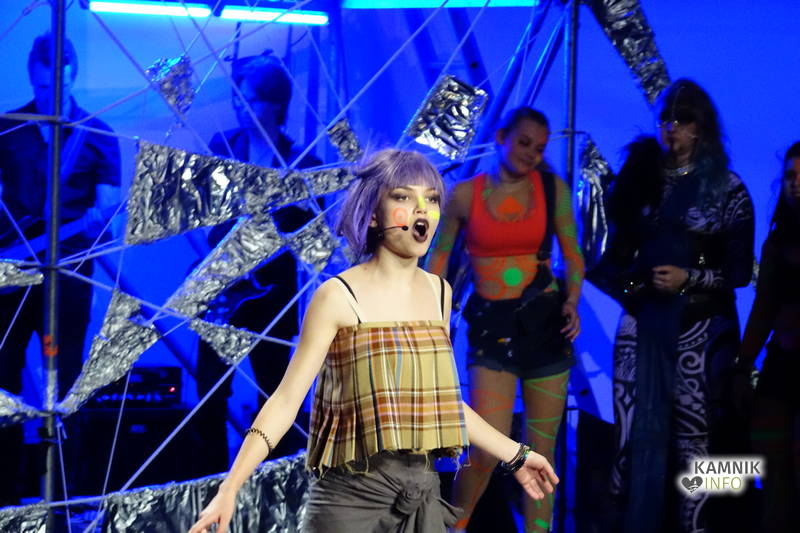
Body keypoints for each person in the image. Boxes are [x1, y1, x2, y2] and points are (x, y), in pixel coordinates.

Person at [187, 148, 559, 533]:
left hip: (419, 498)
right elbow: (285, 401)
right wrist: (230, 487)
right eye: (403, 197)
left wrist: (517, 455)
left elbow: (441, 402)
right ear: (374, 213)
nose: (421, 210)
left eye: (431, 199)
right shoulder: (338, 296)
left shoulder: (439, 293)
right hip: (349, 502)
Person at [590, 78, 755, 533]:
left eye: (682, 120)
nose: (671, 128)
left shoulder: (728, 189)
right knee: (628, 437)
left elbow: (739, 273)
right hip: (643, 321)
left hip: (701, 324)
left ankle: (696, 528)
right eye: (665, 118)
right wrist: (637, 286)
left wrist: (689, 279)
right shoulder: (639, 179)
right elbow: (610, 259)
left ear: (701, 127)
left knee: (694, 441)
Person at [426, 106, 584, 533]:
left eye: (540, 148)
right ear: (501, 138)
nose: (531, 153)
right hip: (492, 331)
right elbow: (438, 259)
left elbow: (573, 256)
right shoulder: (464, 196)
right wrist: (432, 315)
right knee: (485, 449)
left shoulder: (552, 190)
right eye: (524, 142)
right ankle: (453, 527)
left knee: (541, 453)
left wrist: (572, 300)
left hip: (545, 328)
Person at [0, 33, 120, 506]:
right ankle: (7, 496)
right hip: (13, 275)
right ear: (31, 75)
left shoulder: (98, 135)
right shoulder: (8, 128)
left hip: (69, 276)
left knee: (66, 381)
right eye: (41, 86)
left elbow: (109, 221)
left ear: (72, 77)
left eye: (59, 86)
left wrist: (94, 222)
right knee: (3, 379)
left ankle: (67, 496)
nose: (50, 95)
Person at [193, 52, 321, 473]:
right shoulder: (223, 146)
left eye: (251, 99)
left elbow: (308, 233)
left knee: (274, 392)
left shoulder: (302, 162)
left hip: (271, 293)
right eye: (239, 98)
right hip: (221, 287)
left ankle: (270, 483)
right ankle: (212, 481)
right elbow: (204, 210)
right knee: (209, 390)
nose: (241, 107)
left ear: (275, 104)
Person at [736, 141, 800, 533]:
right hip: (782, 368)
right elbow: (763, 309)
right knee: (773, 472)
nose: (796, 184)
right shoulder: (777, 243)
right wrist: (743, 366)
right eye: (791, 176)